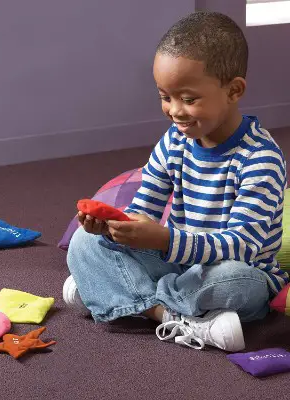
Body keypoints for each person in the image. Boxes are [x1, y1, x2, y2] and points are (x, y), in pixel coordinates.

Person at [62, 11, 289, 352]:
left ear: (234, 90)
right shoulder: (174, 142)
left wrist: (164, 238)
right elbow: (144, 209)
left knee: (233, 282)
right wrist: (114, 227)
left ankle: (116, 295)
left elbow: (241, 247)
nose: (174, 111)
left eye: (188, 99)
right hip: (178, 262)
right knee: (83, 243)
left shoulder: (261, 159)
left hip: (236, 269)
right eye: (165, 97)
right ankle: (169, 315)